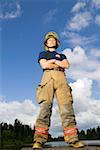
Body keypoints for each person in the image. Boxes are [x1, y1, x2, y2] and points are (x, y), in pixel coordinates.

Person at [33, 31, 85, 149]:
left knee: (67, 107)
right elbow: (44, 65)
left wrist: (53, 61)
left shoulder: (62, 55)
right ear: (46, 43)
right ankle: (39, 140)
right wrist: (57, 63)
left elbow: (66, 65)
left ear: (57, 42)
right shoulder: (43, 53)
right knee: (45, 108)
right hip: (47, 78)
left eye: (54, 39)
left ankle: (73, 139)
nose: (51, 41)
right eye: (49, 39)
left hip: (61, 78)